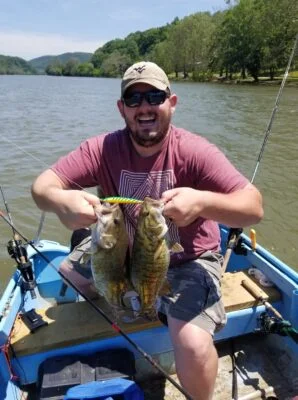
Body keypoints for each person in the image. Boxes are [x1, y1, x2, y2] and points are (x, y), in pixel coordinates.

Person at [31, 61, 263, 400]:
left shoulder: (194, 151)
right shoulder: (102, 148)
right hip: (120, 250)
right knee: (66, 269)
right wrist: (60, 202)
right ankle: (116, 290)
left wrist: (201, 203)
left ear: (171, 102)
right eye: (134, 98)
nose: (144, 107)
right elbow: (42, 187)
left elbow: (253, 206)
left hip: (186, 260)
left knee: (193, 343)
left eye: (154, 96)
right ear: (121, 108)